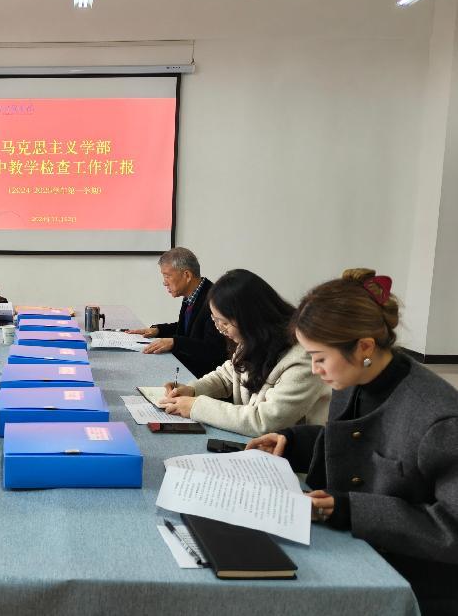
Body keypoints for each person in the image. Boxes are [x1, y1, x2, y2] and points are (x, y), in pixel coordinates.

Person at [247, 269, 458, 615]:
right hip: (357, 549)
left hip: (410, 581)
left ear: (364, 347)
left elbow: (452, 528)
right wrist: (291, 441)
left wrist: (349, 509)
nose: (315, 369)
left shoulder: (439, 417)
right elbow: (358, 443)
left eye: (319, 357)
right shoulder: (356, 378)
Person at [160, 269, 330, 436]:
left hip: (291, 451)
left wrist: (196, 406)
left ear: (250, 319)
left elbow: (264, 421)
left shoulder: (303, 360)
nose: (220, 329)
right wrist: (192, 390)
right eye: (215, 320)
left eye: (224, 323)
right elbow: (227, 376)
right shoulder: (252, 339)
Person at [126, 247, 226, 377]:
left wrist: (175, 342)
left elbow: (213, 349)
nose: (164, 283)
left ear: (187, 275)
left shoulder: (214, 300)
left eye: (167, 276)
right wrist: (158, 330)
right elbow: (188, 329)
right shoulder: (193, 294)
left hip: (204, 376)